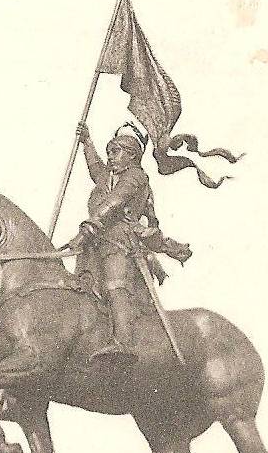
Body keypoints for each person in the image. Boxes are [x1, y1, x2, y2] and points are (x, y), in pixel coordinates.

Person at [70, 120, 191, 362]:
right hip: (96, 244)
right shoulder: (109, 176)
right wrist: (87, 141)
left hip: (120, 243)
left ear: (132, 155)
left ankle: (123, 343)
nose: (110, 157)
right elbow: (96, 168)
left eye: (116, 152)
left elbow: (114, 203)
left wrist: (88, 227)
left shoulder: (136, 177)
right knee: (84, 286)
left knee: (115, 287)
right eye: (109, 152)